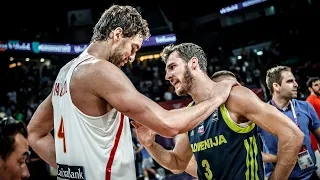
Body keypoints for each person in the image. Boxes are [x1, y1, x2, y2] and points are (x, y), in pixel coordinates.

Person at [27, 5, 236, 180]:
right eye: (134, 48)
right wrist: (216, 98)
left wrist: (73, 170)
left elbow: (35, 133)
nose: (133, 57)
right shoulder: (99, 70)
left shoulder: (65, 72)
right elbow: (168, 124)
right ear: (117, 35)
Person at [132, 43, 304, 180]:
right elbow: (177, 164)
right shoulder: (191, 114)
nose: (167, 76)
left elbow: (292, 134)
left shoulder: (235, 97)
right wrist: (150, 144)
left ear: (193, 63)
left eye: (172, 67)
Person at [259, 66, 320, 179]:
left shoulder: (305, 107)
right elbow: (249, 151)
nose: (296, 84)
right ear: (276, 86)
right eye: (290, 81)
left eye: (295, 80)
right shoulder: (261, 114)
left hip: (310, 175)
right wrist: (277, 159)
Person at [307, 77, 320, 151]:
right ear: (310, 89)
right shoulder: (310, 101)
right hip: (316, 144)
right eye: (316, 85)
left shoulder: (318, 99)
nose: (319, 86)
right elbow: (312, 125)